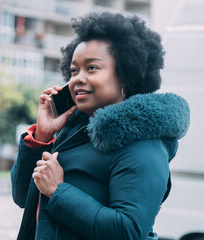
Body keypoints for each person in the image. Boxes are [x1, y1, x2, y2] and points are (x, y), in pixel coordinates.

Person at [11, 12, 190, 240]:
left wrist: (58, 191)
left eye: (92, 68)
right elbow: (22, 196)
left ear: (125, 75)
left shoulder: (144, 146)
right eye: (74, 70)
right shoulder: (73, 132)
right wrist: (44, 135)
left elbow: (128, 231)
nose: (77, 78)